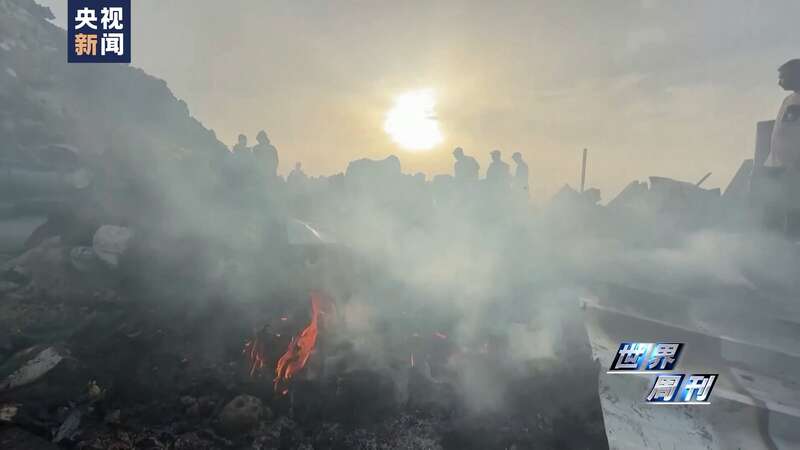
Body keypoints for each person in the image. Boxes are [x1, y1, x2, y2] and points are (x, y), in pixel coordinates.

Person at [761, 59, 800, 236]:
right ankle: (773, 241)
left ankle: (793, 241)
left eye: (783, 77)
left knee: (793, 206)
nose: (779, 82)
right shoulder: (789, 99)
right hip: (776, 163)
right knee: (772, 205)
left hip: (793, 165)